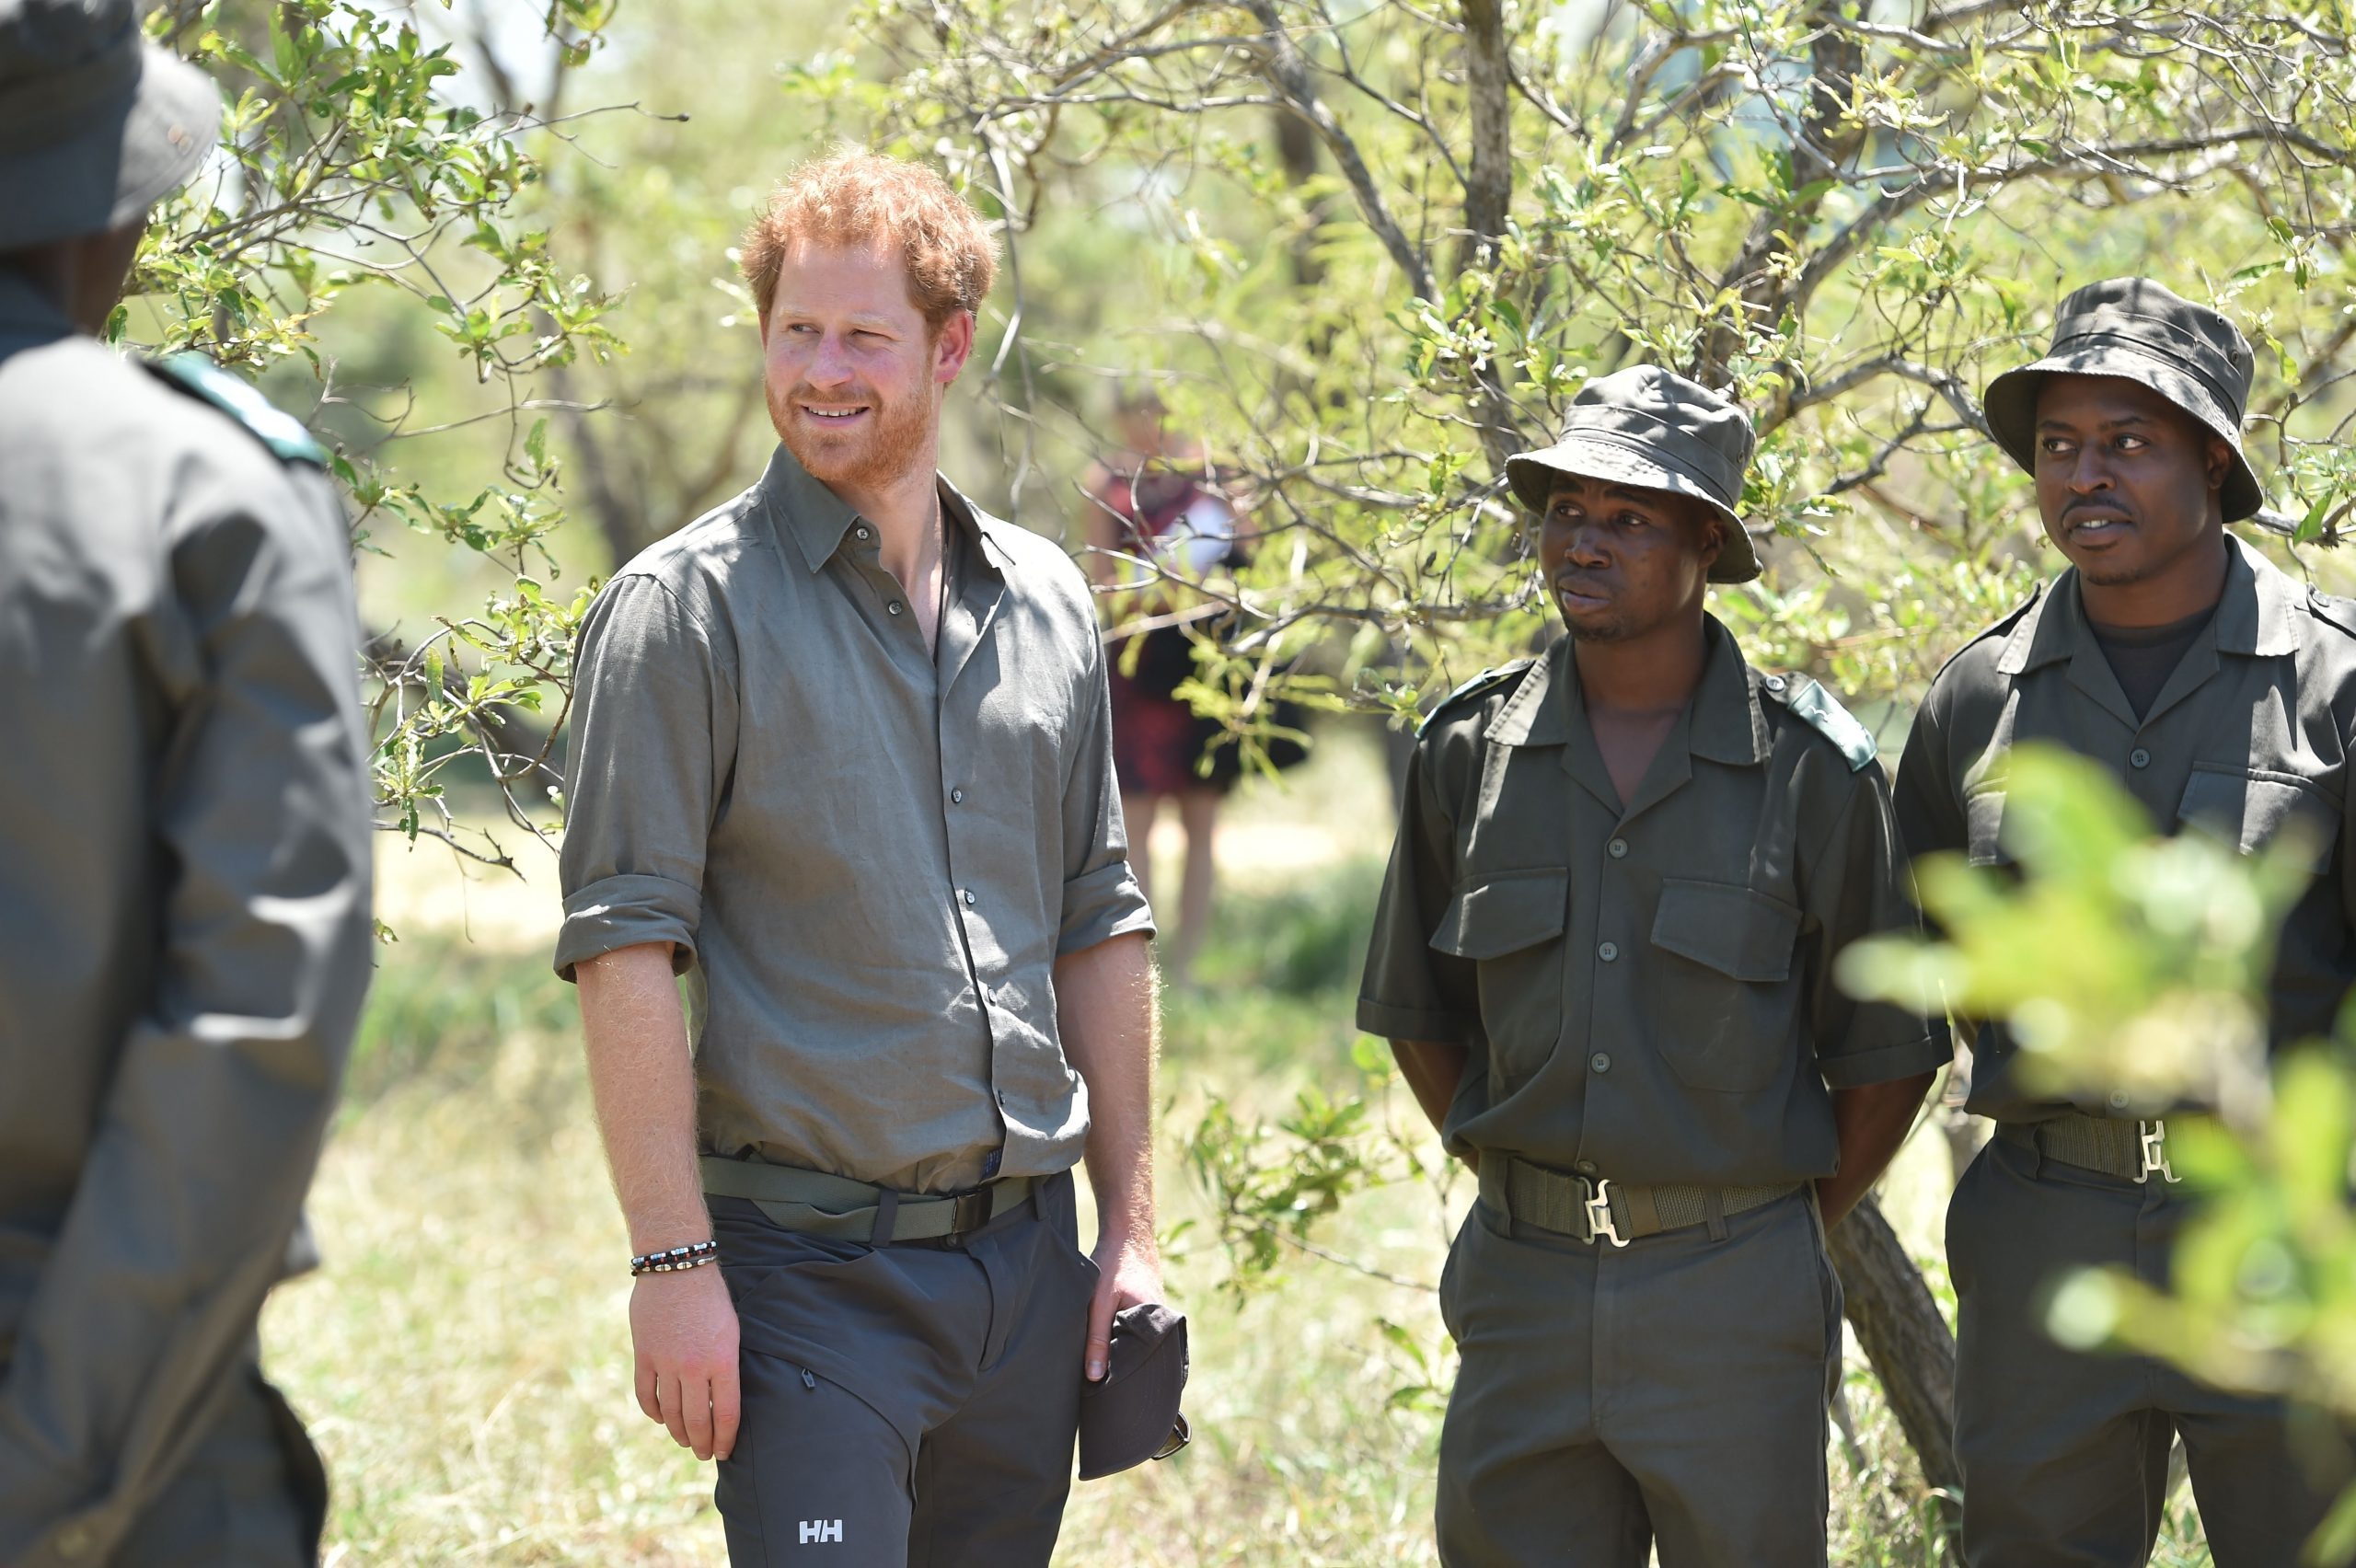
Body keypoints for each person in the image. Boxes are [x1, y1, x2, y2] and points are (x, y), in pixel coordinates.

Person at [557, 148, 1164, 1568]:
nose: (821, 371)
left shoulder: (1052, 604)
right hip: (807, 1280)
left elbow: (1101, 923)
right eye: (794, 332)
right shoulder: (680, 613)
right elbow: (624, 947)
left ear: (949, 348)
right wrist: (670, 1260)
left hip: (1026, 1270)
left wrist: (1128, 1232)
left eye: (863, 337)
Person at [1357, 365, 1946, 1567]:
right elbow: (1422, 1017)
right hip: (1523, 1289)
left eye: (1630, 518)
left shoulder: (1811, 774)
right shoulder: (1468, 752)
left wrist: (1762, 1224)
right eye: (1568, 510)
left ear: (1706, 545)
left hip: (1733, 1304)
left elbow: (1887, 1058)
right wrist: (1523, 1171)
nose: (1585, 539)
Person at [1893, 276, 2356, 1565]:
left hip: (2278, 1226)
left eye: (2128, 442)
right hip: (2049, 1229)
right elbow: (1921, 978)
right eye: (2058, 447)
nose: (2082, 475)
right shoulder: (1977, 699)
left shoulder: (2337, 685)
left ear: (2216, 458)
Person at [0, 4, 377, 1564]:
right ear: (108, 208)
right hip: (107, 1432)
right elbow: (253, 1018)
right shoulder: (200, 491)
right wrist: (45, 1475)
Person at [1082, 394, 1243, 984]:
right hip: (1137, 669)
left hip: (1201, 666)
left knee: (1202, 820)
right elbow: (1104, 586)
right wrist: (1159, 589)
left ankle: (1192, 963)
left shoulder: (1210, 478)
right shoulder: (1108, 482)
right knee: (1138, 821)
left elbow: (1249, 555)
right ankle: (1140, 966)